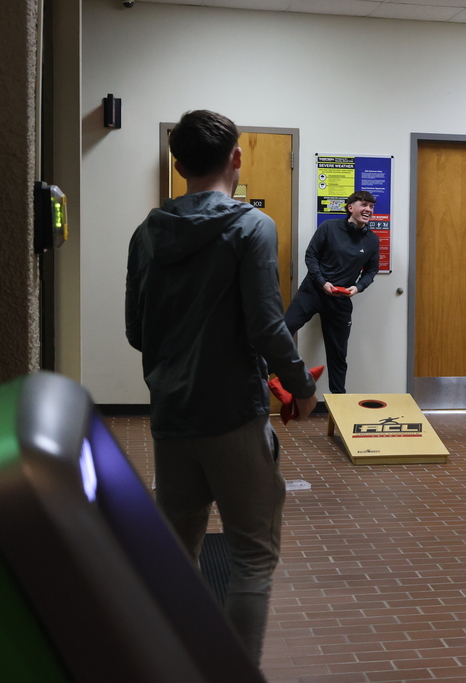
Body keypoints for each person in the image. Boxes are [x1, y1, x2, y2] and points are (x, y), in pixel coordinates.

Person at [125, 109, 318, 665]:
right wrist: (302, 386)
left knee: (176, 557)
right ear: (237, 158)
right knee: (252, 557)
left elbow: (138, 331)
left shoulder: (147, 233)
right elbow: (265, 324)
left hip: (171, 417)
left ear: (178, 164)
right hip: (234, 415)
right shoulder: (253, 226)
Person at [285, 191, 380, 394]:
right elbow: (311, 256)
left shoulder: (372, 240)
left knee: (338, 353)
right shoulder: (329, 227)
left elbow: (372, 270)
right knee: (284, 330)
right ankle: (262, 377)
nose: (368, 210)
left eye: (371, 207)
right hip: (313, 291)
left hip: (341, 299)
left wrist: (358, 287)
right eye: (364, 205)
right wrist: (322, 282)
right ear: (350, 207)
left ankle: (338, 403)